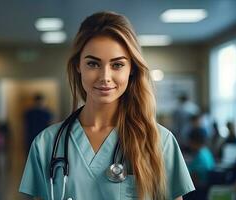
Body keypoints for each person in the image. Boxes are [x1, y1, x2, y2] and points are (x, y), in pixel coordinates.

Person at [19, 11, 194, 200]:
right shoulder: (46, 144)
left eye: (117, 65)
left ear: (132, 69)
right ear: (78, 65)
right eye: (93, 64)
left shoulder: (160, 142)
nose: (105, 77)